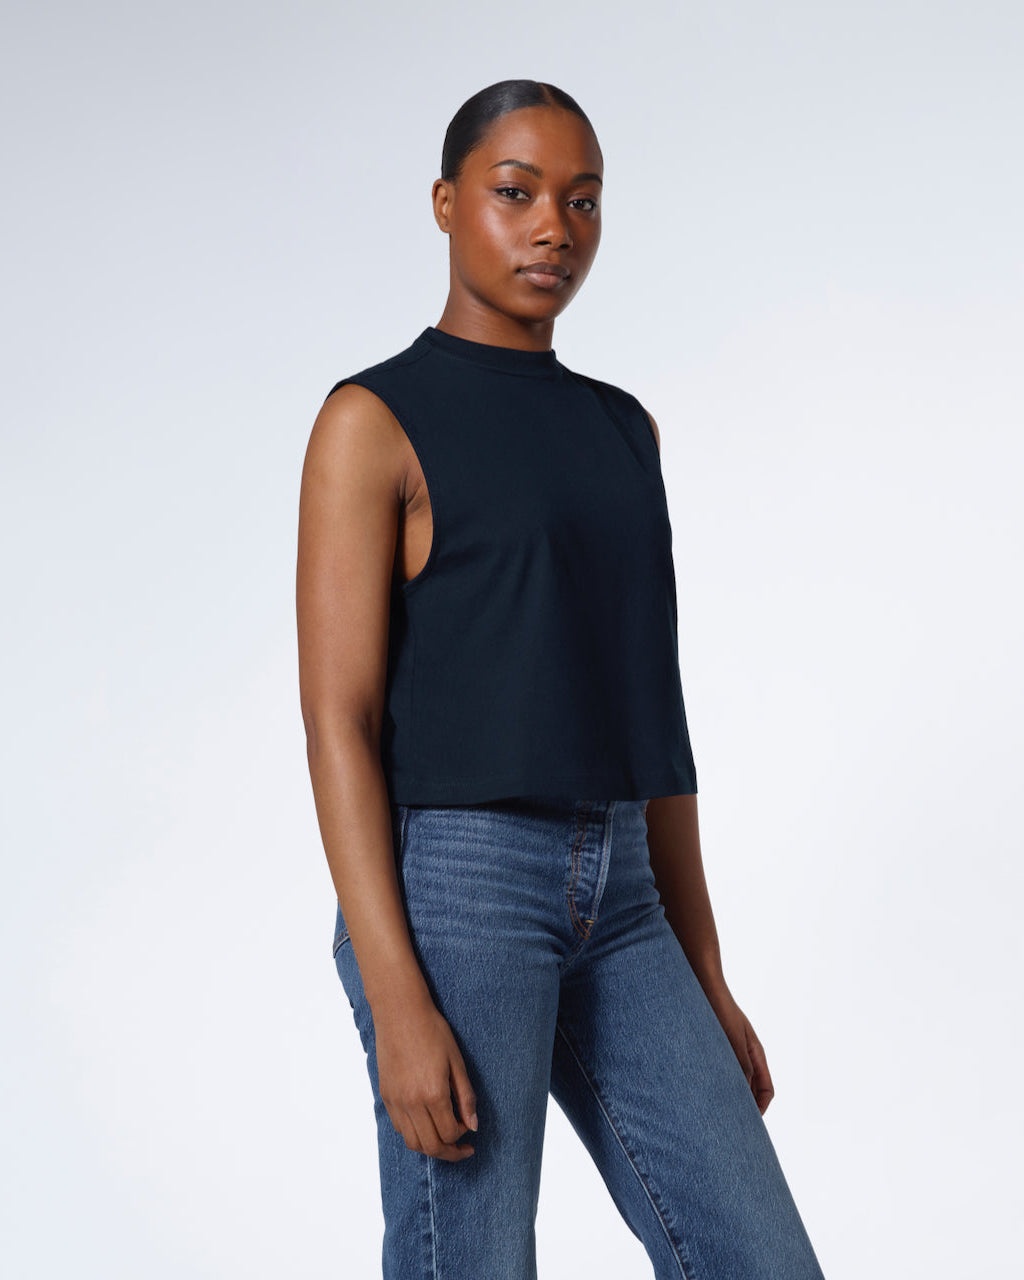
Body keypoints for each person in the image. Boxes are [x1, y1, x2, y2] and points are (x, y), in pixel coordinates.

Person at [296, 79, 827, 1280]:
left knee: (761, 1257)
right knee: (474, 1261)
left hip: (627, 892)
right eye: (516, 192)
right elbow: (339, 717)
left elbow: (651, 712)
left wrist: (704, 967)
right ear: (446, 202)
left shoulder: (623, 429)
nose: (553, 227)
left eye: (581, 201)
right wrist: (396, 991)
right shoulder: (373, 421)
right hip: (459, 888)